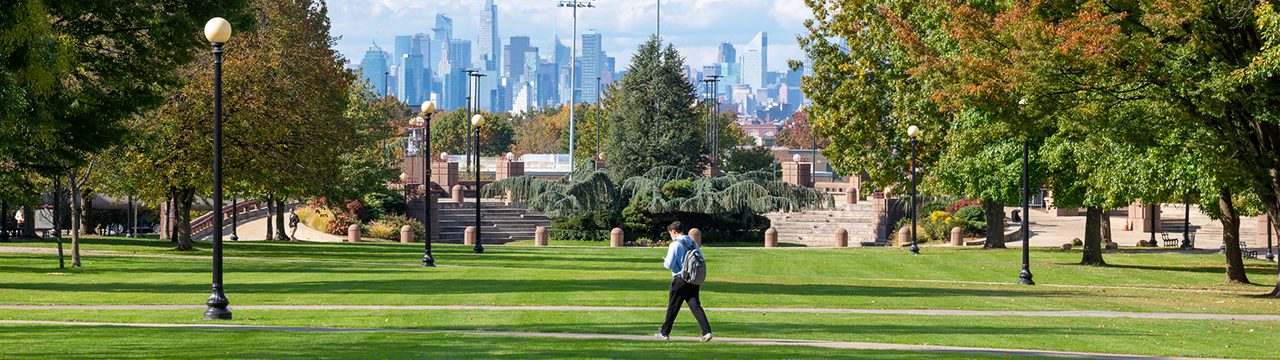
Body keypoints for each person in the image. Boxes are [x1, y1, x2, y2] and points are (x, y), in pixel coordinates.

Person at [656, 221, 712, 342]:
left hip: (680, 278)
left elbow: (669, 264)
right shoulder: (692, 242)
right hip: (693, 278)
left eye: (670, 233)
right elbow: (700, 257)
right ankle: (707, 332)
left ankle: (664, 333)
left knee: (673, 307)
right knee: (695, 306)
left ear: (674, 231)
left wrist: (665, 261)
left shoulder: (675, 244)